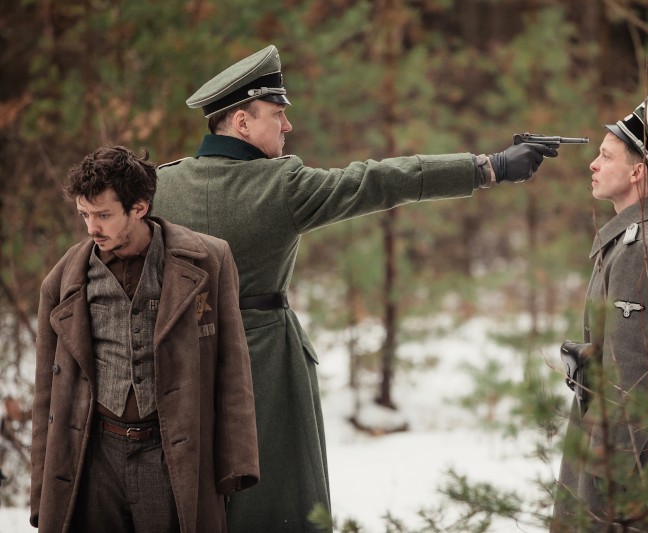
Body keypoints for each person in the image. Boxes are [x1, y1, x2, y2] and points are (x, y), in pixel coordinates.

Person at [153, 44, 558, 532]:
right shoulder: (282, 186)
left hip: (181, 363)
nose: (287, 126)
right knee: (280, 505)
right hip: (266, 365)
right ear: (242, 122)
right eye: (277, 114)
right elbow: (379, 181)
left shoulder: (159, 187)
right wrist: (488, 166)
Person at [30, 146, 260, 533]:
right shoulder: (64, 278)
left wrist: (236, 464)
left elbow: (233, 368)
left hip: (170, 450)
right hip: (95, 453)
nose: (91, 228)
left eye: (103, 215)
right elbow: (45, 392)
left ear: (139, 207)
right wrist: (41, 487)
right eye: (85, 215)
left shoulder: (209, 259)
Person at [550, 96, 648, 531]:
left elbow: (633, 385)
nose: (593, 164)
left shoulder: (641, 252)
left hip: (637, 465)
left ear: (637, 172)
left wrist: (604, 483)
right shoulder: (643, 235)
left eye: (606, 156)